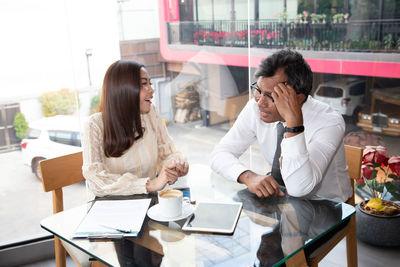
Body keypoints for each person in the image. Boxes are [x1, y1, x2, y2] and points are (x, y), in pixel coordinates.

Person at [210, 49, 353, 202]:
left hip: (327, 209)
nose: (260, 102)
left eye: (271, 95)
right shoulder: (256, 106)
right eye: (258, 90)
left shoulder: (329, 121)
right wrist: (248, 176)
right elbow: (219, 154)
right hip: (280, 201)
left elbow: (300, 188)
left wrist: (293, 123)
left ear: (298, 98)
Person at [82, 60, 188, 196]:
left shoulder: (151, 114)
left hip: (146, 202)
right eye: (144, 84)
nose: (151, 89)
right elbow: (96, 181)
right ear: (123, 90)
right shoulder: (95, 124)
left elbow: (167, 153)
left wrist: (175, 165)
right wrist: (151, 184)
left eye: (149, 83)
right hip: (110, 208)